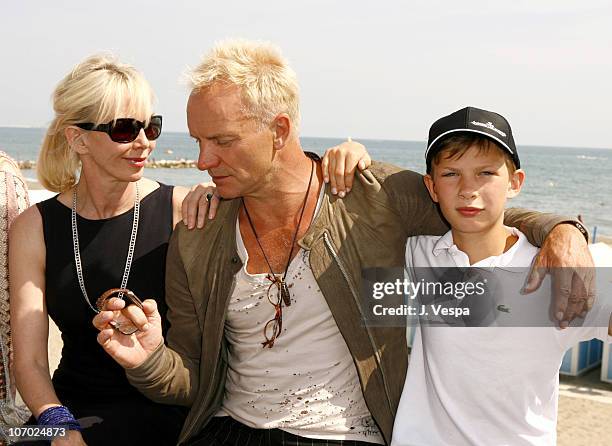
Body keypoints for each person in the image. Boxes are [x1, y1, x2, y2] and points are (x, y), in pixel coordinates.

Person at [93, 40, 594, 446]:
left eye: (221, 141)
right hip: (229, 431)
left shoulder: (372, 199)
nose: (202, 159)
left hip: (344, 436)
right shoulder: (199, 236)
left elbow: (475, 207)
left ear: (279, 130)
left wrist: (563, 231)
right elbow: (191, 381)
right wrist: (149, 360)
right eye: (198, 141)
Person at [390, 107, 612, 445]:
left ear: (515, 182)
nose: (468, 189)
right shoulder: (420, 253)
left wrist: (568, 231)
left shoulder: (557, 270)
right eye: (451, 173)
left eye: (486, 173)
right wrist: (351, 154)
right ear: (431, 188)